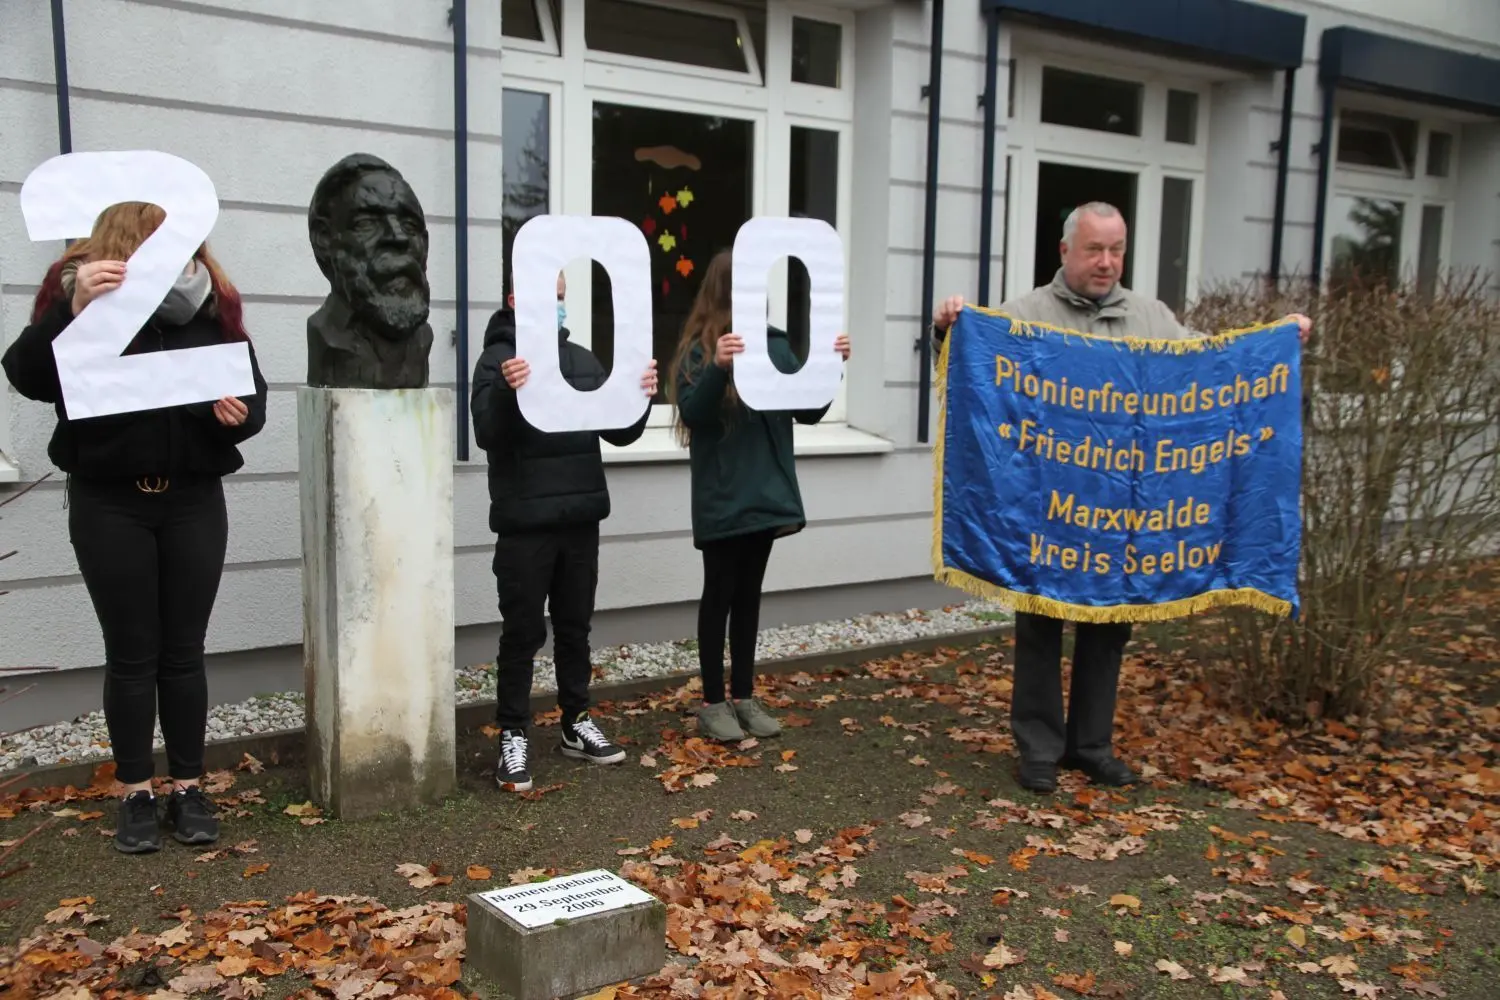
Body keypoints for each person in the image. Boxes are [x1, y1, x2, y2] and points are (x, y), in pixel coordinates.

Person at [931, 201, 1311, 794]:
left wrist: (1276, 344)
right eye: (1094, 250)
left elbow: (1213, 375)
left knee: (1109, 633)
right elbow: (974, 374)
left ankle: (1090, 746)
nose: (1106, 262)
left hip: (1125, 518)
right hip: (1047, 515)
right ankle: (1038, 748)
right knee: (1040, 628)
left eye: (1116, 250)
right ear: (1065, 252)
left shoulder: (1152, 316)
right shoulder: (1024, 314)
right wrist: (947, 328)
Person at [1, 201, 268, 852]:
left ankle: (187, 786)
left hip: (193, 501)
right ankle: (135, 792)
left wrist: (236, 416)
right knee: (131, 654)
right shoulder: (81, 301)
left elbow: (252, 397)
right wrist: (75, 310)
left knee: (183, 651)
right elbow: (27, 374)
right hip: (111, 503)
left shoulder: (210, 304)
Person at [470, 270, 657, 792]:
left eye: (560, 297)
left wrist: (640, 395)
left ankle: (576, 723)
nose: (557, 306)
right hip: (525, 524)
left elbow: (620, 431)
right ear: (514, 298)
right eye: (548, 296)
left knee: (575, 627)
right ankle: (513, 733)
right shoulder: (495, 360)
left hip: (579, 519)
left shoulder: (580, 359)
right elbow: (487, 432)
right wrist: (510, 388)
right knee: (523, 633)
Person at [668, 250, 851, 742]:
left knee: (748, 597)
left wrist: (831, 367)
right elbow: (694, 413)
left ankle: (744, 697)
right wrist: (719, 368)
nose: (758, 294)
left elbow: (808, 410)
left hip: (765, 494)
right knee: (720, 595)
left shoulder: (773, 343)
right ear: (725, 290)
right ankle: (712, 703)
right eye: (745, 284)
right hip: (724, 497)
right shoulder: (702, 348)